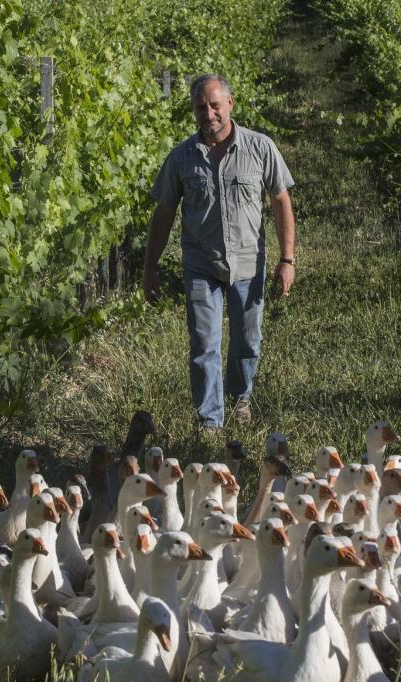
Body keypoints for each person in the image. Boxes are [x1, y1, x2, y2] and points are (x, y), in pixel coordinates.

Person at [142, 73, 296, 435]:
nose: (208, 113)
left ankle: (240, 398)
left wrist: (286, 260)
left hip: (247, 262)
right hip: (201, 263)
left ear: (230, 104)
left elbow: (280, 202)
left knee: (247, 340)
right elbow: (163, 214)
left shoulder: (260, 148)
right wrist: (149, 268)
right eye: (200, 107)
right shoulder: (181, 158)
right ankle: (209, 421)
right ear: (193, 112)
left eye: (214, 105)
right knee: (203, 343)